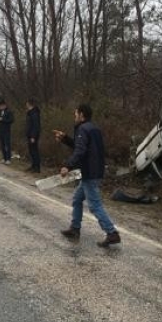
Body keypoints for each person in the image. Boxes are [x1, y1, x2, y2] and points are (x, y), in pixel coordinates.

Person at [54, 104, 120, 247]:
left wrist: (68, 165)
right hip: (94, 171)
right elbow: (82, 147)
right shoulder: (93, 128)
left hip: (90, 173)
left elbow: (80, 151)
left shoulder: (83, 129)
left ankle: (112, 233)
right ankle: (75, 229)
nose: (74, 116)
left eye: (76, 113)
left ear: (81, 115)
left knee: (95, 205)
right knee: (77, 200)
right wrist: (65, 138)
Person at [24, 98, 41, 173]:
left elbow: (36, 126)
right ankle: (33, 165)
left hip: (33, 136)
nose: (26, 105)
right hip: (30, 135)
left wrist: (33, 136)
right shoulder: (30, 113)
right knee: (31, 151)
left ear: (29, 104)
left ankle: (37, 168)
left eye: (27, 103)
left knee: (34, 151)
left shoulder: (34, 113)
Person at [0, 98, 14, 164]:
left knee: (7, 145)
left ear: (5, 105)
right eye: (0, 106)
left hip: (6, 131)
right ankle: (4, 158)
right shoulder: (0, 112)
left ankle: (8, 159)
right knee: (2, 145)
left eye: (2, 106)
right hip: (1, 130)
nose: (0, 107)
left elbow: (11, 120)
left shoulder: (9, 112)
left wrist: (2, 120)